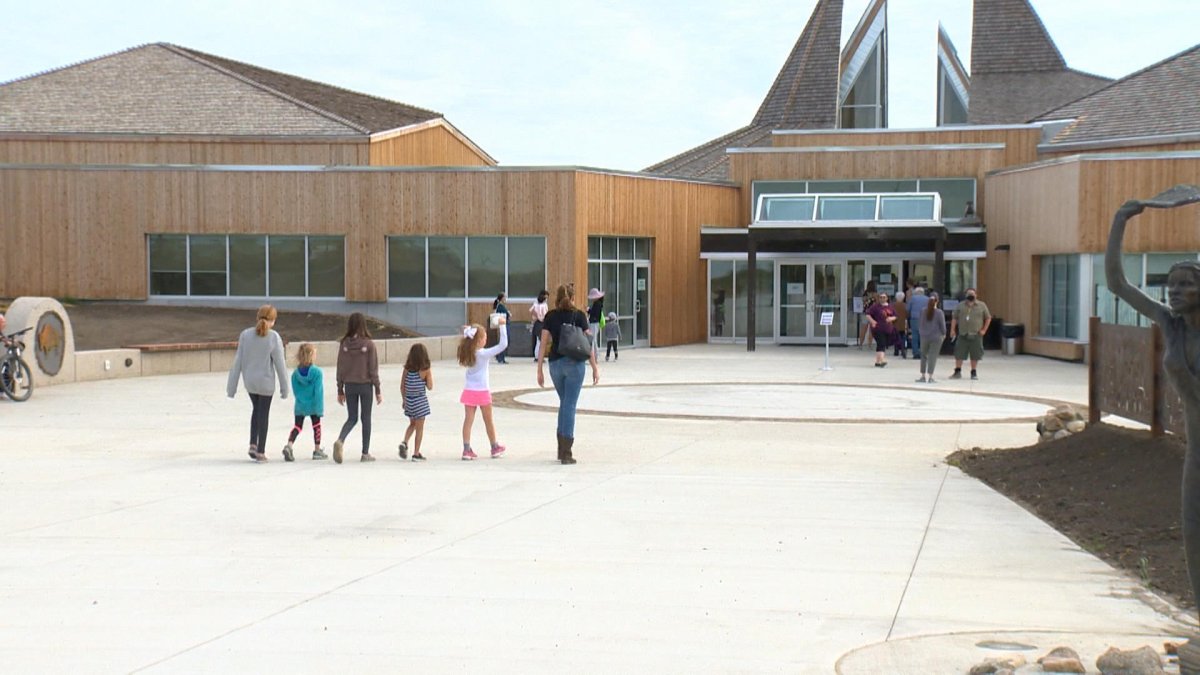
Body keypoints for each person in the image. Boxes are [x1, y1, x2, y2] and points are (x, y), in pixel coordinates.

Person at [1106, 193, 1200, 628]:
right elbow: (1118, 285)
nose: (1175, 291)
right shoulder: (1170, 324)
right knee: (1194, 537)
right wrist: (1120, 222)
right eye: (1172, 283)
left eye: (1186, 283)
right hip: (1196, 453)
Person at [538, 283, 600, 464]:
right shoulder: (580, 316)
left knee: (564, 403)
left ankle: (561, 447)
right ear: (573, 298)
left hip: (555, 364)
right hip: (575, 364)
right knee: (569, 405)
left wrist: (539, 368)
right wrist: (595, 367)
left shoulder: (550, 316)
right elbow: (588, 345)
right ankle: (566, 452)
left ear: (556, 299)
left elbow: (543, 343)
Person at [226, 305, 289, 463]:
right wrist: (285, 388)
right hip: (266, 383)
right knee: (263, 414)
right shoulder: (274, 337)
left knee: (256, 410)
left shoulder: (245, 335)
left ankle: (253, 444)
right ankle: (261, 451)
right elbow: (280, 365)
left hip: (250, 383)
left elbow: (237, 362)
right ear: (273, 321)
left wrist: (231, 388)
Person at [333, 312, 382, 463]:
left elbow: (340, 368)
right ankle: (365, 453)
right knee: (365, 418)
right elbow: (373, 369)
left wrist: (340, 389)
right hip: (365, 385)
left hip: (350, 385)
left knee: (352, 417)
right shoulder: (369, 344)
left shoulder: (344, 344)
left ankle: (340, 440)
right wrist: (378, 390)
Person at [458, 320, 508, 460]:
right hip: (482, 391)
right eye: (485, 337)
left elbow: (467, 335)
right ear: (479, 340)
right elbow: (503, 345)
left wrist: (468, 330)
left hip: (469, 390)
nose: (486, 339)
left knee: (468, 420)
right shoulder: (483, 354)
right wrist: (502, 325)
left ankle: (466, 449)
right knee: (488, 420)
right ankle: (494, 446)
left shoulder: (468, 352)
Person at [284, 343, 325, 461]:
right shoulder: (317, 373)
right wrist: (319, 408)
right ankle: (317, 450)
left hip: (300, 404)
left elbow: (296, 391)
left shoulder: (295, 375)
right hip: (314, 404)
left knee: (297, 426)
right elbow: (318, 391)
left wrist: (301, 400)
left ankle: (289, 445)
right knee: (316, 426)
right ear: (312, 355)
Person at [399, 342, 433, 461]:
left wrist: (404, 400)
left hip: (409, 401)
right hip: (420, 402)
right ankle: (416, 453)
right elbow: (430, 386)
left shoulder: (407, 369)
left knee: (412, 424)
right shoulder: (425, 370)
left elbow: (402, 386)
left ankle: (404, 442)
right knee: (420, 428)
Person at [949, 288, 991, 380]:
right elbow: (954, 318)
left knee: (975, 354)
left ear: (976, 295)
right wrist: (952, 330)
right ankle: (957, 371)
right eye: (969, 294)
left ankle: (973, 372)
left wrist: (984, 330)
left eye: (972, 293)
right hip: (963, 334)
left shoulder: (982, 305)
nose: (971, 295)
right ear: (966, 295)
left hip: (976, 334)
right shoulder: (960, 306)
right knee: (959, 353)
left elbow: (988, 318)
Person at [915, 292, 947, 383]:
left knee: (923, 355)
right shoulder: (939, 312)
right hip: (936, 337)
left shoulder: (923, 311)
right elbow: (943, 326)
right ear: (938, 301)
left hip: (924, 336)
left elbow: (920, 323)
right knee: (932, 356)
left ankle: (922, 376)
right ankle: (930, 376)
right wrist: (944, 334)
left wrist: (921, 332)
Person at [865, 292, 897, 367]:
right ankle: (882, 360)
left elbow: (895, 316)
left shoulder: (890, 307)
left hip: (887, 328)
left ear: (887, 298)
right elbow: (867, 314)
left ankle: (878, 361)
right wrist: (872, 321)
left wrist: (891, 318)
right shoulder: (875, 307)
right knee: (881, 343)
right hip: (878, 328)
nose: (882, 299)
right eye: (881, 297)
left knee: (881, 344)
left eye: (884, 297)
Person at [907, 287, 930, 360]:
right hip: (925, 318)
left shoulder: (912, 298)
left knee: (915, 336)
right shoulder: (927, 299)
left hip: (915, 318)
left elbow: (908, 309)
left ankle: (916, 353)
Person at [529, 290, 549, 361]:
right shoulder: (544, 306)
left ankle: (536, 356)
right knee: (541, 341)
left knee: (538, 340)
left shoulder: (535, 304)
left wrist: (536, 316)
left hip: (536, 323)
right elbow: (545, 315)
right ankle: (539, 356)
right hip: (542, 323)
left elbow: (530, 310)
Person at [492, 292, 511, 364]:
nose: (506, 298)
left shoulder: (501, 306)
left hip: (505, 324)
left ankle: (500, 356)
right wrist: (508, 314)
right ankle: (500, 357)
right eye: (505, 297)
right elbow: (504, 315)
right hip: (504, 325)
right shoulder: (500, 306)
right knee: (505, 341)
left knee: (505, 341)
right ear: (502, 298)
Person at [858, 280, 878, 348]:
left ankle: (860, 344)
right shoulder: (875, 294)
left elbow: (863, 301)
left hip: (865, 313)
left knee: (863, 329)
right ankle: (869, 345)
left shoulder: (865, 293)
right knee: (871, 330)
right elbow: (878, 303)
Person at [586, 287, 605, 355]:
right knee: (594, 340)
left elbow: (594, 313)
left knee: (593, 340)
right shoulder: (599, 304)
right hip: (596, 323)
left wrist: (588, 310)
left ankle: (594, 355)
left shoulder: (597, 304)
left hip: (594, 323)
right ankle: (595, 355)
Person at [892, 290, 909, 359]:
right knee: (903, 337)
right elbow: (908, 314)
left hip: (895, 323)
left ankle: (896, 351)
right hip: (903, 324)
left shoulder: (893, 305)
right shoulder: (905, 305)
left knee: (896, 337)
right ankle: (903, 350)